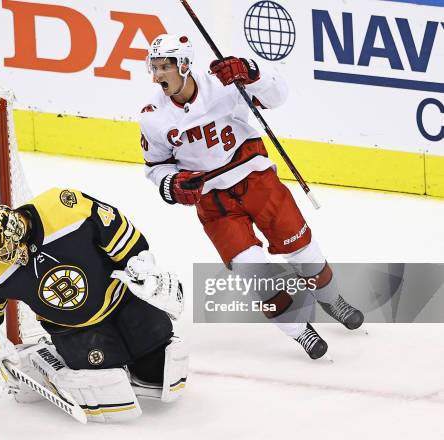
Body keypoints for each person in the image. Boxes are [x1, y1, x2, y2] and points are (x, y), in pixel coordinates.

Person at [138, 34, 364, 360]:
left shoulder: (222, 83)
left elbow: (278, 97)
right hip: (215, 204)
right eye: (154, 67)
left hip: (256, 181)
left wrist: (252, 71)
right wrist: (171, 185)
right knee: (252, 270)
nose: (157, 75)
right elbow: (156, 167)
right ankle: (299, 330)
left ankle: (331, 298)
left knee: (302, 249)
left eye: (164, 67)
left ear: (184, 65)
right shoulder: (152, 116)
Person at [0, 188, 188, 423]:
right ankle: (41, 360)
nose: (5, 259)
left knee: (161, 369)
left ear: (19, 230)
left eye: (7, 250)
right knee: (107, 390)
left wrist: (139, 263)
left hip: (122, 299)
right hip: (74, 329)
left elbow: (114, 226)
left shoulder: (63, 207)